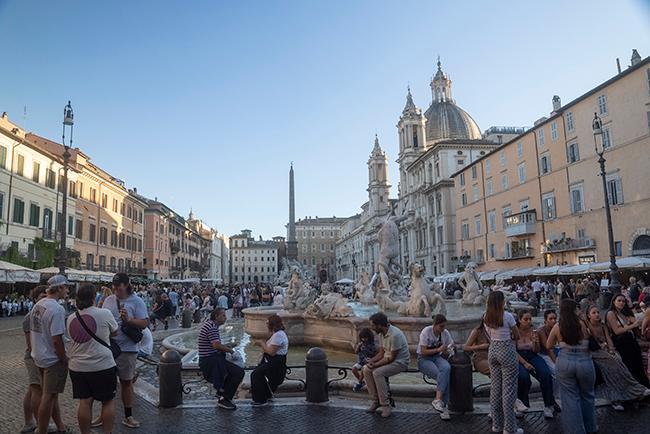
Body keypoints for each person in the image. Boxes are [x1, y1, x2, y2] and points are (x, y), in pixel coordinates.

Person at [66, 283, 119, 434]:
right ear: (93, 297)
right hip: (102, 364)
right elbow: (115, 332)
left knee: (85, 402)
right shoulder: (105, 313)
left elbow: (71, 337)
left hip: (77, 366)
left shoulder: (70, 318)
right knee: (108, 401)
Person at [99, 273, 148, 429]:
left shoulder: (137, 301)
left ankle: (128, 416)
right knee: (106, 384)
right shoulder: (108, 300)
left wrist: (129, 320)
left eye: (118, 286)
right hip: (109, 347)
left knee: (126, 383)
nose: (115, 289)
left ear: (126, 285)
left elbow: (145, 323)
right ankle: (102, 415)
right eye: (114, 286)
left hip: (127, 349)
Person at [584, 304, 650, 411]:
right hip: (596, 354)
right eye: (594, 313)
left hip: (607, 352)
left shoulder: (602, 325)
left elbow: (608, 338)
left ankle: (634, 390)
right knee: (612, 367)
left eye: (597, 312)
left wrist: (611, 349)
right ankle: (620, 397)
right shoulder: (587, 328)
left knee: (619, 362)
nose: (597, 314)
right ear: (588, 315)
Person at [547, 299, 597, 434]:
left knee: (570, 398)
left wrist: (556, 360)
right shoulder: (583, 324)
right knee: (588, 395)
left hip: (564, 362)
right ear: (574, 310)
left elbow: (549, 345)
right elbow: (595, 339)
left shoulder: (558, 326)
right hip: (585, 362)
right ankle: (591, 427)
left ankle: (576, 430)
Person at [30, 275, 70, 434]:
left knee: (51, 395)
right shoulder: (57, 309)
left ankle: (59, 426)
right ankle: (42, 430)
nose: (68, 290)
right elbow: (57, 339)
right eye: (66, 287)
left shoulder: (38, 305)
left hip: (38, 356)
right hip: (52, 359)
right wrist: (64, 358)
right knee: (48, 396)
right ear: (59, 288)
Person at [484, 290, 521, 434]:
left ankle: (496, 425)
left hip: (492, 351)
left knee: (495, 388)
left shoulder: (486, 317)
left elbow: (489, 335)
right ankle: (509, 428)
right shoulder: (507, 316)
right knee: (509, 391)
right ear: (501, 302)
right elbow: (516, 335)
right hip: (506, 350)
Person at [363, 312, 410, 418]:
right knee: (366, 369)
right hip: (388, 360)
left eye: (373, 325)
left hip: (400, 362)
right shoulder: (381, 334)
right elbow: (381, 353)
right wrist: (371, 361)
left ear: (379, 325)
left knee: (377, 373)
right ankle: (375, 401)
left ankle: (385, 405)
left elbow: (391, 358)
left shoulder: (395, 335)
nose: (372, 328)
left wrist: (375, 365)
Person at [21, 285, 54, 434]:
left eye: (46, 297)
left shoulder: (39, 314)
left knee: (32, 389)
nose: (45, 300)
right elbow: (30, 344)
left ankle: (29, 422)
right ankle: (39, 424)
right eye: (42, 297)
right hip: (34, 356)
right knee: (37, 391)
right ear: (35, 299)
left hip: (36, 355)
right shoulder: (30, 316)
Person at [198, 308, 244, 410]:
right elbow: (216, 346)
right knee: (239, 372)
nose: (225, 317)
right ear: (216, 317)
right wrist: (231, 351)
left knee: (233, 371)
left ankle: (222, 393)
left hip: (211, 358)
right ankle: (225, 399)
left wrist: (227, 345)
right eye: (223, 315)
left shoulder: (211, 325)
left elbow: (214, 345)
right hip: (210, 360)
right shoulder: (212, 327)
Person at [515, 310, 556, 418]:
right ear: (519, 320)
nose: (528, 321)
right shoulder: (514, 331)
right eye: (525, 319)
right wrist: (524, 363)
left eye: (530, 319)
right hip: (518, 357)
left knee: (545, 373)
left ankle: (548, 405)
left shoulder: (534, 331)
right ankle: (522, 405)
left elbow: (536, 350)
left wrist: (535, 342)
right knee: (523, 377)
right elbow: (512, 350)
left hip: (532, 355)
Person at [606, 294, 649, 387]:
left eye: (623, 301)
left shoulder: (623, 313)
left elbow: (637, 322)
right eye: (619, 300)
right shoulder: (611, 313)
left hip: (631, 342)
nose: (622, 303)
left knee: (639, 366)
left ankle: (644, 386)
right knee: (631, 367)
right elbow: (616, 331)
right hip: (623, 344)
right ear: (613, 302)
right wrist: (632, 325)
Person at [417, 314, 453, 421]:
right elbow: (423, 351)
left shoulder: (445, 333)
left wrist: (450, 348)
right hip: (423, 359)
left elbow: (449, 346)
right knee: (441, 375)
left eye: (444, 326)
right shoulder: (426, 331)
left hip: (437, 358)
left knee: (446, 368)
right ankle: (444, 406)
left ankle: (439, 402)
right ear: (435, 325)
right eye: (441, 326)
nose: (443, 328)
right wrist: (438, 349)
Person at [251, 314, 289, 406]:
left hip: (275, 362)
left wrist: (261, 343)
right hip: (274, 361)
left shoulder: (278, 335)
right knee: (259, 375)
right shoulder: (277, 334)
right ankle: (267, 395)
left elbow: (271, 352)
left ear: (272, 324)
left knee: (255, 374)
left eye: (267, 322)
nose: (266, 324)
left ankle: (260, 400)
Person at [351, 328, 378, 392]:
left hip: (368, 362)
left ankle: (360, 383)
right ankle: (362, 382)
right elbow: (356, 352)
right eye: (362, 338)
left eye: (365, 338)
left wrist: (369, 355)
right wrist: (358, 346)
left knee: (364, 369)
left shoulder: (372, 345)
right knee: (353, 369)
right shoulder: (361, 344)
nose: (364, 339)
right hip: (361, 361)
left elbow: (374, 353)